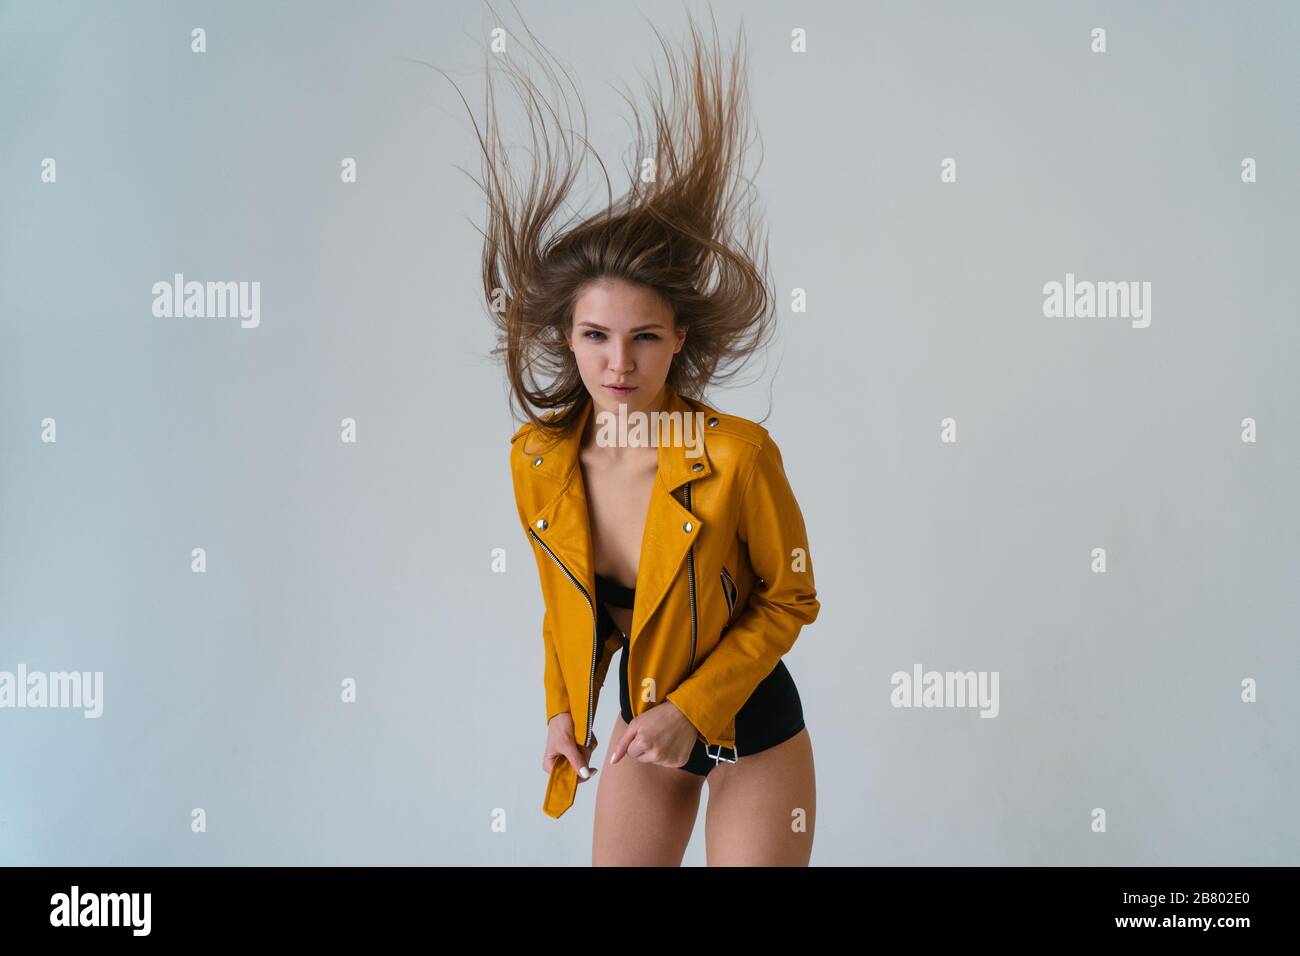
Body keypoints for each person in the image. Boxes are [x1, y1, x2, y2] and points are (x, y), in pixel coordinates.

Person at [457, 8, 822, 865]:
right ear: (567, 337)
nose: (618, 362)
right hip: (640, 722)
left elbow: (791, 598)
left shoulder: (738, 456)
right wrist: (563, 712)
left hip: (750, 724)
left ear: (680, 339)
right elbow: (565, 609)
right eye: (595, 336)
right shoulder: (537, 462)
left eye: (645, 337)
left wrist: (693, 710)